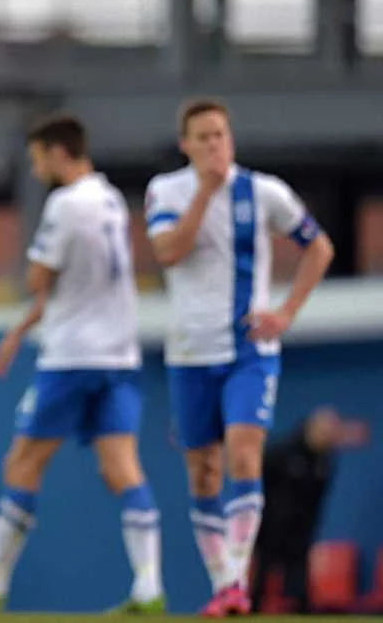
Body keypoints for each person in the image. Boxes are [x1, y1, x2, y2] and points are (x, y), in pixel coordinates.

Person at [0, 114, 164, 613]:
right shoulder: (110, 201)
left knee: (22, 463)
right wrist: (23, 326)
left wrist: (31, 311)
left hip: (73, 357)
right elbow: (79, 286)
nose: (35, 170)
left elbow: (40, 277)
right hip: (119, 354)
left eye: (36, 159)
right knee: (122, 468)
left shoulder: (65, 204)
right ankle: (150, 588)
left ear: (59, 153)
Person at [143, 98, 334, 617]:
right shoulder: (167, 190)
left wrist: (286, 312)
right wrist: (205, 193)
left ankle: (235, 588)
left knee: (244, 454)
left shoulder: (263, 191)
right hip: (189, 353)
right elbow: (167, 252)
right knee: (203, 473)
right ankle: (226, 581)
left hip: (250, 349)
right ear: (186, 145)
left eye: (221, 135)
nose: (214, 145)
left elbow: (319, 247)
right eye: (203, 137)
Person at [251, 407, 367, 613]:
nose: (326, 436)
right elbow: (255, 481)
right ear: (310, 428)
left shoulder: (324, 461)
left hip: (301, 532)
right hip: (269, 528)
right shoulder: (282, 453)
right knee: (261, 581)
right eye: (323, 430)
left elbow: (317, 498)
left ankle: (301, 611)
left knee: (299, 588)